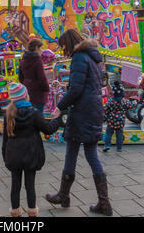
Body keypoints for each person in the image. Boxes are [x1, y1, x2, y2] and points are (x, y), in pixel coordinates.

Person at [46, 29, 113, 217]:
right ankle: (104, 203)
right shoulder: (93, 57)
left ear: (68, 42)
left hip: (82, 112)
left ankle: (64, 195)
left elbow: (76, 89)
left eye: (63, 46)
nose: (63, 50)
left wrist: (59, 107)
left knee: (72, 152)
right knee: (91, 154)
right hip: (93, 109)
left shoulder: (79, 58)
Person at [2, 82, 61, 217]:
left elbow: (5, 138)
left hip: (14, 156)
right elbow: (48, 129)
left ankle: (15, 212)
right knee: (30, 185)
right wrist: (57, 120)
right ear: (26, 96)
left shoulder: (8, 114)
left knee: (15, 186)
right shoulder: (34, 113)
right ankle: (32, 212)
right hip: (31, 154)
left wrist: (5, 157)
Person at [103, 81, 137, 153]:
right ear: (122, 93)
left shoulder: (110, 101)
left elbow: (106, 110)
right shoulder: (124, 101)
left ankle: (107, 145)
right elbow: (131, 105)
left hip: (111, 120)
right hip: (120, 121)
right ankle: (119, 148)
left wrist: (104, 118)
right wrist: (135, 102)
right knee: (119, 134)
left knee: (108, 133)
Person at [18, 38, 49, 115]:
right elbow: (42, 78)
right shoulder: (37, 60)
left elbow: (20, 77)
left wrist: (27, 84)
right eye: (40, 48)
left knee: (29, 116)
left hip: (27, 92)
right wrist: (46, 88)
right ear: (36, 48)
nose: (41, 51)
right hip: (38, 94)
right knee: (39, 116)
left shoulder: (23, 59)